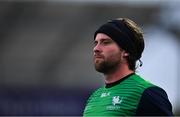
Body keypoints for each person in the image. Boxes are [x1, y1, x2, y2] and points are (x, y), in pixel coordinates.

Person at [83, 18, 173, 116]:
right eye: (96, 43)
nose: (96, 49)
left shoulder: (147, 93)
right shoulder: (94, 97)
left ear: (126, 51)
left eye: (105, 42)